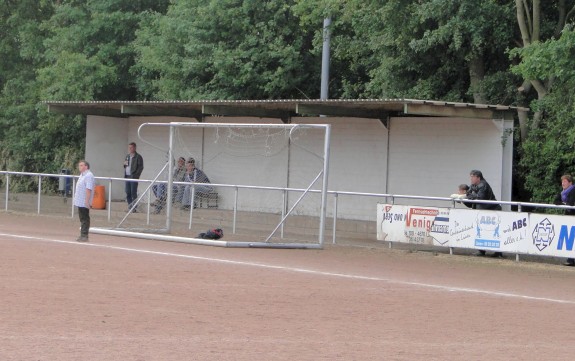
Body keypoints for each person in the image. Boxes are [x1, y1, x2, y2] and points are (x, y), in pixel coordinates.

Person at [465, 170, 503, 258]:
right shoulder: (473, 185)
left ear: (478, 177)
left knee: (495, 231)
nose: (471, 178)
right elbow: (468, 194)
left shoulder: (483, 184)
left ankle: (498, 252)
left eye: (472, 176)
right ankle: (481, 250)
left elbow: (479, 198)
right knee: (480, 230)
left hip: (492, 210)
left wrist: (470, 196)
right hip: (483, 211)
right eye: (470, 176)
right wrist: (466, 196)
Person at [553, 174, 575, 266]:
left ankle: (571, 260)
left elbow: (570, 203)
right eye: (562, 181)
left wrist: (564, 203)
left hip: (573, 217)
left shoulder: (573, 190)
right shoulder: (563, 192)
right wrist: (564, 203)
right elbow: (556, 201)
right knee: (571, 239)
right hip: (568, 217)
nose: (563, 183)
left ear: (570, 183)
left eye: (565, 181)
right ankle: (570, 260)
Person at [73, 160, 95, 242]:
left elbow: (88, 189)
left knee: (85, 218)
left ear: (86, 166)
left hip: (84, 201)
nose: (80, 167)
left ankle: (84, 235)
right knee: (82, 218)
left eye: (82, 165)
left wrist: (87, 201)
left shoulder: (88, 175)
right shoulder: (82, 175)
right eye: (79, 165)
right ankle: (83, 234)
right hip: (80, 200)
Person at [123, 142, 144, 212]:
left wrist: (136, 175)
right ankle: (130, 206)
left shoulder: (138, 157)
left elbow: (141, 167)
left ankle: (134, 208)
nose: (130, 149)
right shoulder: (127, 156)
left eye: (131, 147)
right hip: (127, 176)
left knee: (133, 192)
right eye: (129, 147)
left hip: (133, 177)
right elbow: (125, 165)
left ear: (135, 148)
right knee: (127, 192)